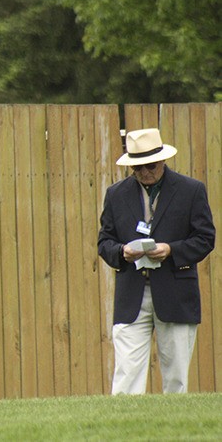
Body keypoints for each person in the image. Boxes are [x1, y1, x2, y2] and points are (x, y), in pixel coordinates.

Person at [98, 128, 215, 394]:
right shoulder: (115, 194)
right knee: (126, 376)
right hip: (131, 294)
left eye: (150, 165)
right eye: (137, 167)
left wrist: (170, 250)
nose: (144, 172)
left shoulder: (191, 190)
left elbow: (205, 239)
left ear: (162, 160)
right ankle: (122, 431)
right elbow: (104, 242)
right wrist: (122, 252)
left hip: (176, 291)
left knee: (176, 379)